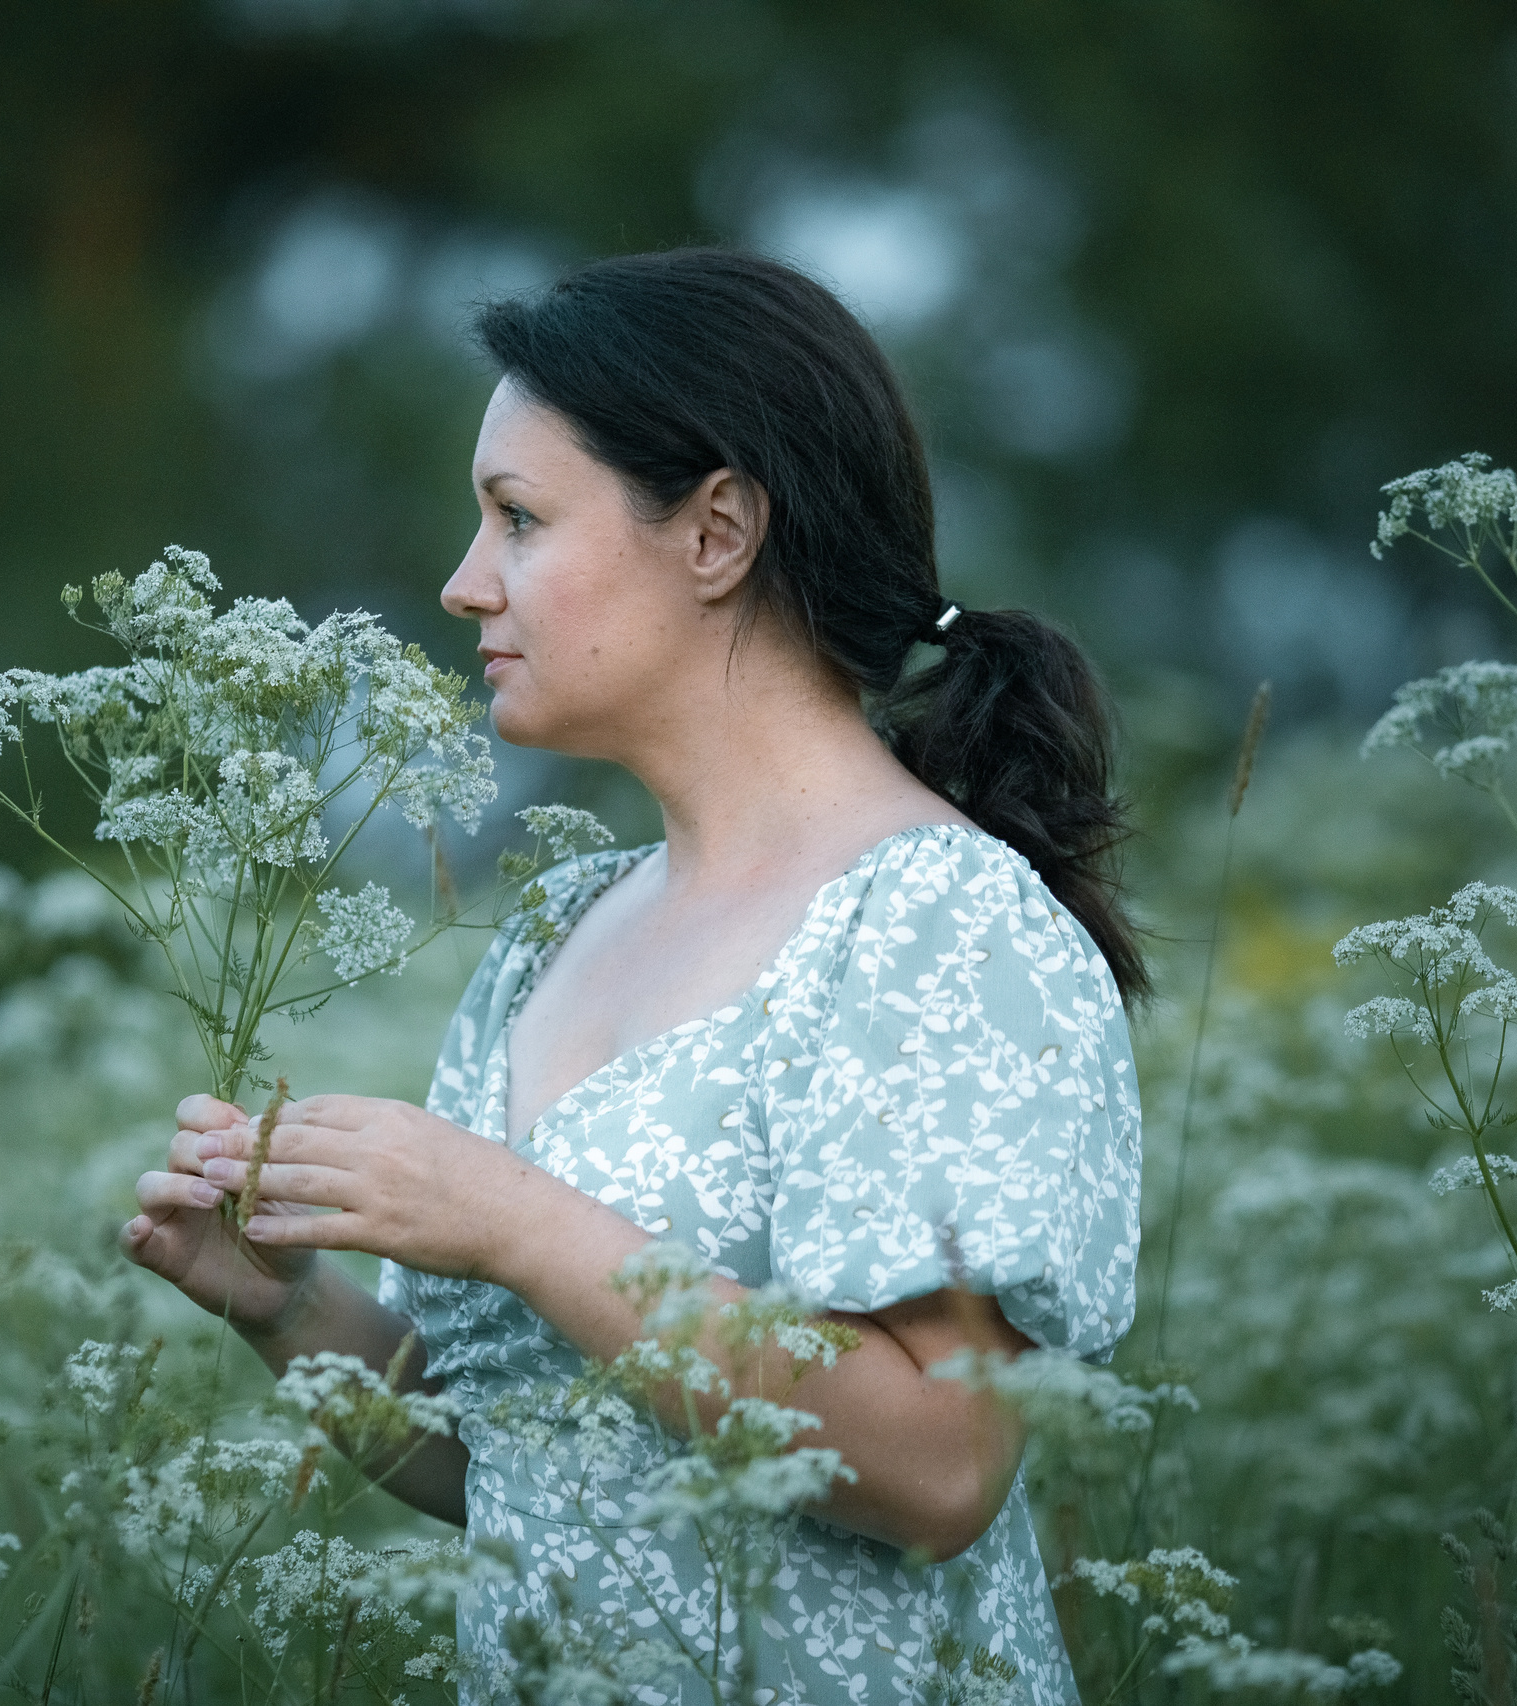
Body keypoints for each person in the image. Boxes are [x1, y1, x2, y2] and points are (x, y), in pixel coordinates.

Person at [122, 247, 1145, 1704]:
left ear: (718, 529)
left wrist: (510, 1217)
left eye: (518, 519)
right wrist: (293, 1311)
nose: (464, 583)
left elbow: (939, 1466)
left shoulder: (938, 924)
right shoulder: (558, 930)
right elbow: (527, 1471)